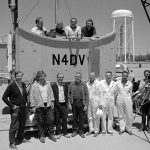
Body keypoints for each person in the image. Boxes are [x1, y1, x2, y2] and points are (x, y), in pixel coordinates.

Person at [2, 71, 28, 150]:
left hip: (23, 108)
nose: (19, 77)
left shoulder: (23, 84)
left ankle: (20, 137)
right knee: (14, 126)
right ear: (15, 77)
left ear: (22, 76)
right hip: (15, 109)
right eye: (17, 76)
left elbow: (24, 95)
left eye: (20, 76)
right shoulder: (11, 85)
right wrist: (12, 106)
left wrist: (26, 103)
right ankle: (12, 143)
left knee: (22, 125)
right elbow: (4, 97)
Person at [30, 71, 57, 143]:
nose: (42, 77)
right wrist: (33, 105)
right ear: (38, 77)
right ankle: (41, 135)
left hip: (48, 105)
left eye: (43, 76)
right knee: (40, 121)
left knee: (51, 120)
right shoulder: (34, 85)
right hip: (39, 105)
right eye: (41, 76)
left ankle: (51, 134)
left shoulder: (48, 84)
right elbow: (31, 96)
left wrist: (52, 101)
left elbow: (51, 93)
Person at [68, 72, 89, 138]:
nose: (77, 77)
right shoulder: (71, 84)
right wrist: (69, 103)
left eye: (78, 76)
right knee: (74, 118)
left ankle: (81, 131)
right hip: (74, 103)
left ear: (81, 77)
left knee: (81, 118)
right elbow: (68, 94)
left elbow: (86, 95)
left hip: (81, 103)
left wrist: (85, 105)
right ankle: (74, 131)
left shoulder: (84, 85)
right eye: (76, 76)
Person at [51, 73, 70, 139]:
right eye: (59, 77)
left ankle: (65, 133)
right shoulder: (53, 86)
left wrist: (68, 103)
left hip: (64, 104)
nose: (60, 78)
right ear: (57, 77)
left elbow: (67, 94)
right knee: (57, 119)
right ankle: (58, 133)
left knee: (65, 119)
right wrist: (52, 103)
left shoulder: (65, 85)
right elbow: (51, 95)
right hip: (57, 104)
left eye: (62, 77)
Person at [99, 71, 117, 135]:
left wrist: (114, 101)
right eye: (107, 75)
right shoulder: (101, 83)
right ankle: (103, 130)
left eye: (109, 75)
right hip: (103, 101)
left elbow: (115, 93)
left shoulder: (114, 84)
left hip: (111, 102)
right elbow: (100, 93)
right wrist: (100, 103)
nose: (108, 77)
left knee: (111, 116)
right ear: (105, 76)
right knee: (103, 116)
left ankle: (109, 130)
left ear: (111, 76)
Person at [116, 71, 133, 135]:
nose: (124, 77)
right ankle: (122, 128)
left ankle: (128, 129)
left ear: (127, 76)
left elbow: (131, 93)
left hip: (127, 99)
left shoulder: (130, 84)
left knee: (129, 115)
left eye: (126, 76)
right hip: (119, 98)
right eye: (123, 75)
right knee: (120, 114)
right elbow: (115, 91)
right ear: (122, 76)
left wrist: (130, 101)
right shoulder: (117, 83)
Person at [86, 72, 101, 137]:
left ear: (95, 76)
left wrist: (100, 104)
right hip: (89, 102)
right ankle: (91, 129)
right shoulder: (87, 83)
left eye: (92, 75)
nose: (91, 76)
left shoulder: (98, 83)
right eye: (90, 75)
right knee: (89, 117)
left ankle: (96, 131)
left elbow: (101, 94)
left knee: (95, 117)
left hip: (96, 102)